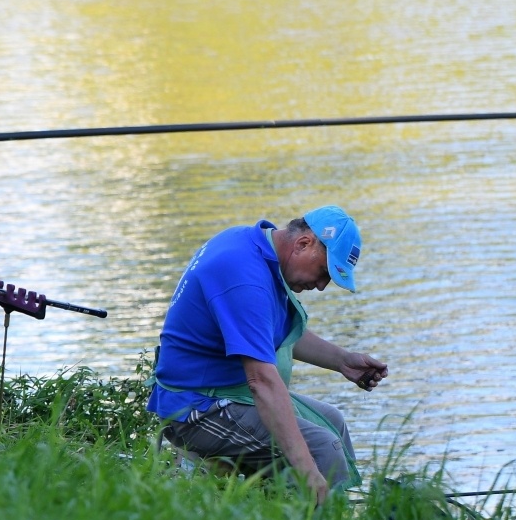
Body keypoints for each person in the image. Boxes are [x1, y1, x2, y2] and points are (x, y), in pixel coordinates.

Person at [148, 205, 387, 504]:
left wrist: (342, 361)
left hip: (226, 393)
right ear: (303, 243)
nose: (322, 286)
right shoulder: (244, 277)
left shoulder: (252, 246)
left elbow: (268, 333)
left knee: (332, 420)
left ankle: (327, 514)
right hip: (194, 408)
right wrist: (307, 468)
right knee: (321, 449)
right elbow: (261, 381)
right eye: (325, 272)